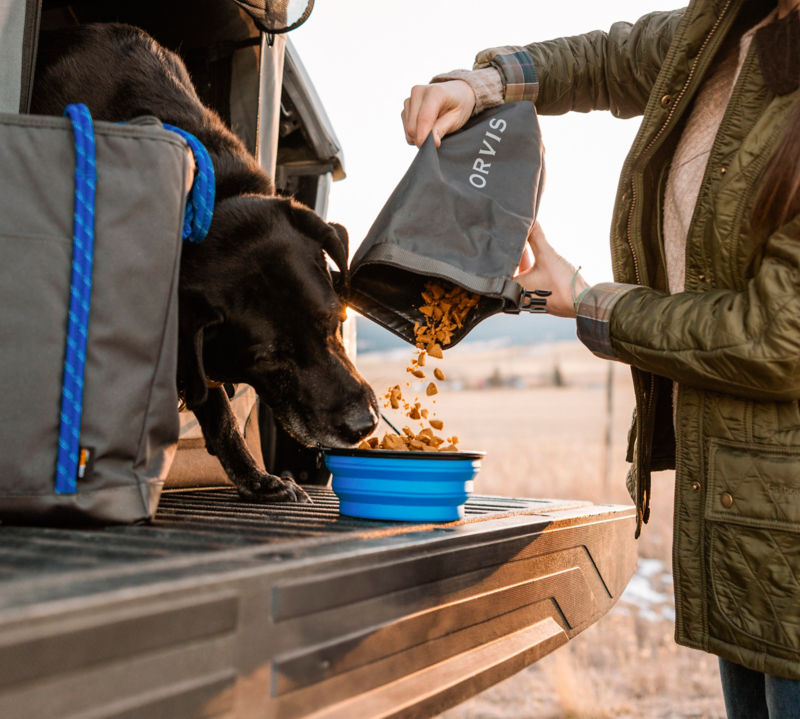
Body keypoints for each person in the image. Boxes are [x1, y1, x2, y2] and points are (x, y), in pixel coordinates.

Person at [401, 1, 800, 717]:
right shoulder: (727, 22)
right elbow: (607, 59)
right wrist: (481, 83)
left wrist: (594, 303)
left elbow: (776, 337)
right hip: (744, 519)